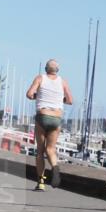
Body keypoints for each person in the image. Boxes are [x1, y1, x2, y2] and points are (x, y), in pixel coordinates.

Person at [26, 60, 73, 190]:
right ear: (57, 70)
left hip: (43, 116)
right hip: (56, 118)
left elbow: (29, 94)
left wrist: (38, 96)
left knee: (40, 151)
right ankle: (55, 167)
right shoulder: (63, 82)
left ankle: (41, 182)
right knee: (51, 149)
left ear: (46, 69)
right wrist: (59, 99)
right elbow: (70, 100)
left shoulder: (40, 78)